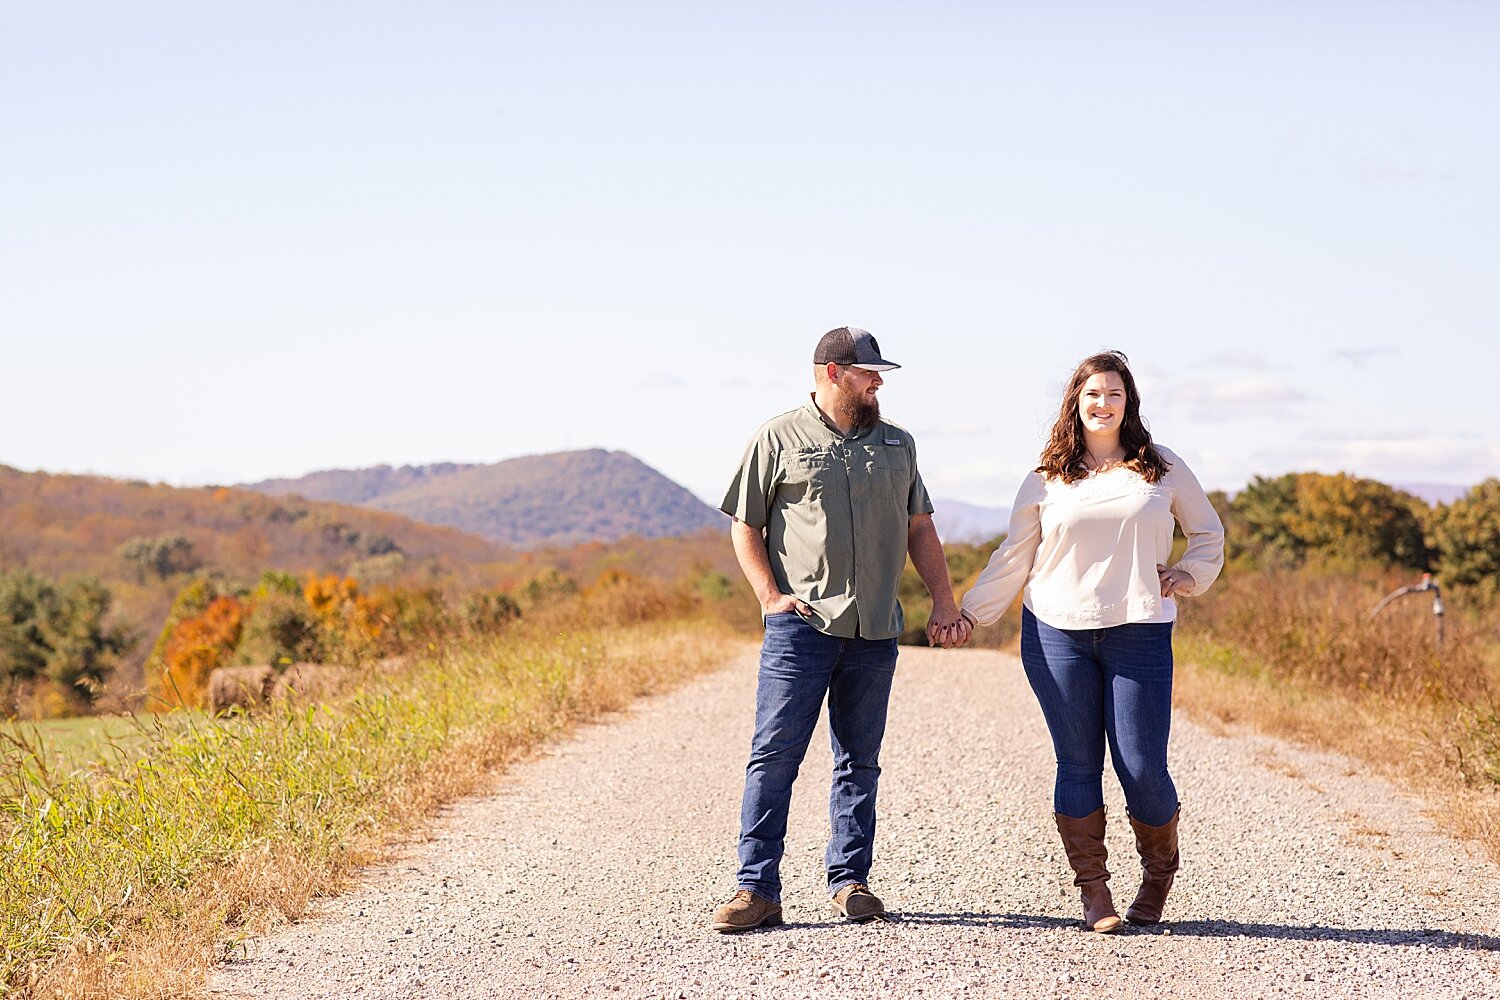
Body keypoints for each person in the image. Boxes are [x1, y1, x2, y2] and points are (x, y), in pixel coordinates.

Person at [711, 326, 971, 933]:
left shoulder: (899, 445)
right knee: (774, 757)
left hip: (875, 629)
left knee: (860, 759)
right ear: (833, 372)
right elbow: (744, 525)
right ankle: (756, 890)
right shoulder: (777, 437)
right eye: (868, 373)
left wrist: (943, 602)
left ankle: (850, 881)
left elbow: (920, 528)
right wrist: (769, 595)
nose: (879, 382)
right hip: (801, 627)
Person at [959, 350, 1223, 933]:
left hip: (1140, 630)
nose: (1103, 404)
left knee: (1143, 768)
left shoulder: (1160, 466)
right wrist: (968, 614)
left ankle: (1157, 877)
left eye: (1114, 394)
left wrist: (1190, 574)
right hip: (1056, 630)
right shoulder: (1048, 475)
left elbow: (1208, 531)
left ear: (1129, 403)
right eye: (1092, 394)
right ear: (1075, 403)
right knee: (1077, 764)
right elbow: (1015, 554)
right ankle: (1094, 893)